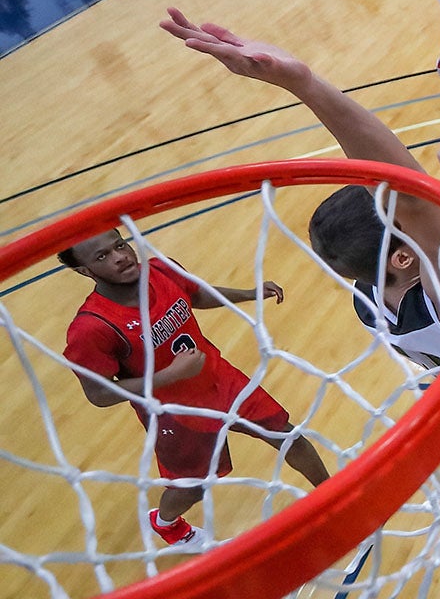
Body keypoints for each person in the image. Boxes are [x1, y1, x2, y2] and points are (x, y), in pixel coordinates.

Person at [160, 8, 440, 599]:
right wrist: (305, 83)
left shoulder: (369, 301)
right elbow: (404, 198)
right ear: (407, 254)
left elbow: (413, 236)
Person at [59, 232, 329, 546]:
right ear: (84, 271)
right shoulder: (91, 327)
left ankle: (331, 494)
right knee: (193, 488)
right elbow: (100, 394)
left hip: (221, 380)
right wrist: (169, 376)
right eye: (101, 256)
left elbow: (197, 295)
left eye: (120, 245)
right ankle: (166, 524)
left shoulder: (161, 270)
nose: (120, 256)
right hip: (176, 414)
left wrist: (248, 293)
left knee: (286, 435)